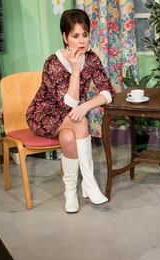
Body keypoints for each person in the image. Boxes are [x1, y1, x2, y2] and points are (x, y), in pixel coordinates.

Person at [26, 8, 114, 214]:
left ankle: (71, 192)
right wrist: (75, 70)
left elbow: (108, 92)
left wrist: (86, 106)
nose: (81, 40)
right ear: (65, 37)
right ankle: (90, 183)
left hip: (70, 117)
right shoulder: (53, 63)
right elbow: (68, 104)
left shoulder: (91, 59)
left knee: (68, 137)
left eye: (85, 34)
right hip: (43, 114)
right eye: (75, 36)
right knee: (80, 121)